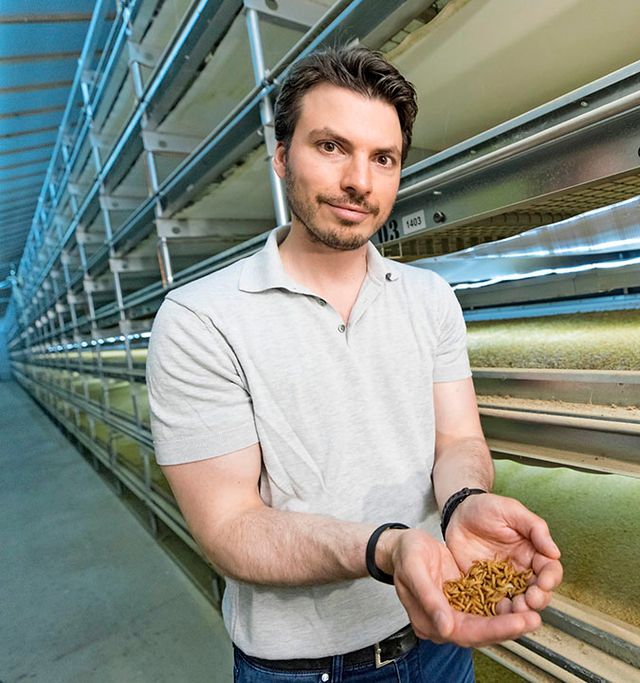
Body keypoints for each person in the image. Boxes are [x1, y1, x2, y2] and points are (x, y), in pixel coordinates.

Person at [145, 46, 563, 682]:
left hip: (441, 638)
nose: (359, 181)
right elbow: (229, 526)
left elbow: (457, 440)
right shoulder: (200, 320)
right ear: (282, 156)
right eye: (332, 146)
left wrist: (464, 503)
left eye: (383, 158)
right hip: (303, 668)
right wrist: (387, 549)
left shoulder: (430, 299)